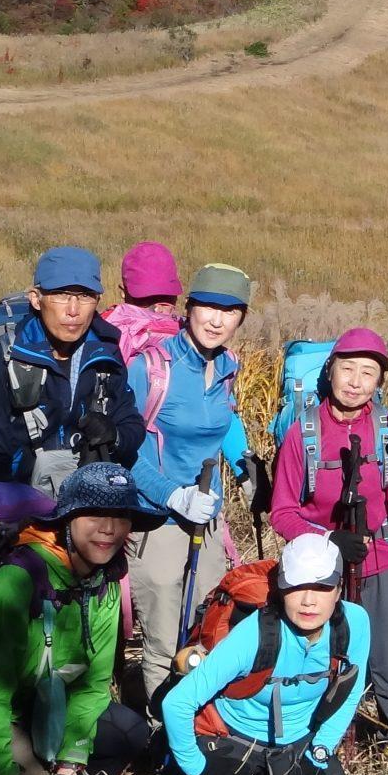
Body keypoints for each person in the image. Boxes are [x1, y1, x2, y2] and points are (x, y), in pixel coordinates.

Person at [0, 462, 159, 775]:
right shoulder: (16, 581)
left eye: (121, 517)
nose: (109, 529)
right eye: (94, 516)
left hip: (38, 702)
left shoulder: (105, 582)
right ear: (67, 520)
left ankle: (46, 767)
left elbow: (93, 683)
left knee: (128, 734)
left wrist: (70, 762)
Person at [268, 327, 388, 739]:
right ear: (330, 371)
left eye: (367, 372)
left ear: (379, 381)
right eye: (347, 368)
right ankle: (323, 738)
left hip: (379, 560)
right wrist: (327, 539)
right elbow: (281, 512)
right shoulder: (304, 432)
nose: (355, 381)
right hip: (319, 572)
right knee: (323, 656)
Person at [127, 262, 270, 702]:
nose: (216, 319)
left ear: (241, 318)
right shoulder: (151, 368)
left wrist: (248, 471)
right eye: (207, 306)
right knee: (164, 643)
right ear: (188, 309)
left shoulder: (228, 367)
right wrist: (174, 494)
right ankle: (161, 737)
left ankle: (200, 728)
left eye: (229, 311)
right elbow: (123, 452)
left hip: (207, 521)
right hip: (156, 523)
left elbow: (225, 421)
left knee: (209, 632)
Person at [144, 533, 370, 775]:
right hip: (232, 736)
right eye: (296, 587)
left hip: (300, 739)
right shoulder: (255, 634)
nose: (308, 601)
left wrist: (320, 751)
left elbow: (351, 689)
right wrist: (198, 769)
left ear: (339, 589)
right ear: (281, 588)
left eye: (322, 587)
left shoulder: (354, 623)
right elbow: (177, 703)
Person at [0, 245, 146, 491]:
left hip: (86, 503)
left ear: (97, 301)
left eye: (85, 296)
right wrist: (6, 510)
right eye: (61, 294)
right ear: (36, 299)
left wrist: (114, 435)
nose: (73, 310)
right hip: (17, 502)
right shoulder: (2, 358)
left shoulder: (106, 355)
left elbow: (131, 422)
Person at [109, 239, 185, 363]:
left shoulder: (105, 330)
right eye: (145, 300)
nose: (157, 309)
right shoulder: (192, 333)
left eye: (165, 299)